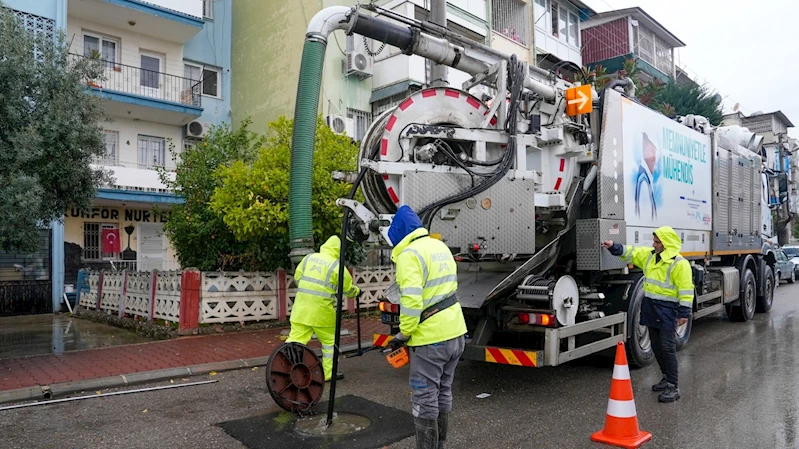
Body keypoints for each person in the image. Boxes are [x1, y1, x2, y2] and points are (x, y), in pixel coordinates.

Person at [387, 205, 467, 449]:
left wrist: (404, 333)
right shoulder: (438, 246)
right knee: (443, 390)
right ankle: (440, 445)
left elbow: (410, 301)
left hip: (430, 339)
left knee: (424, 397)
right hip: (456, 332)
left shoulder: (409, 255)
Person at [602, 226, 694, 403]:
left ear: (666, 244)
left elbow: (686, 290)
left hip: (668, 310)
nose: (654, 244)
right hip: (651, 307)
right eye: (654, 241)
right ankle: (666, 378)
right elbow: (632, 252)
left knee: (667, 348)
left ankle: (673, 386)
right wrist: (613, 246)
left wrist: (684, 313)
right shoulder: (651, 256)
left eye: (657, 242)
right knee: (656, 346)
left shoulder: (679, 263)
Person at [287, 235, 360, 382]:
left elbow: (297, 277)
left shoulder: (308, 258)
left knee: (295, 340)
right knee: (329, 344)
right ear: (338, 251)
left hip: (301, 309)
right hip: (322, 313)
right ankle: (328, 374)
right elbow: (347, 289)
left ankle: (286, 369)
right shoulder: (337, 267)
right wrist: (357, 292)